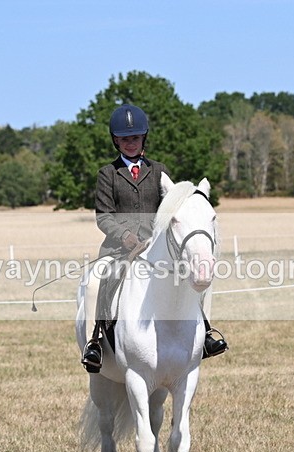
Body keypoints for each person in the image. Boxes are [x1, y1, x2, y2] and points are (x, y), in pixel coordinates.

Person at [80, 103, 228, 372]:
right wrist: (125, 236)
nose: (130, 144)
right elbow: (103, 216)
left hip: (155, 248)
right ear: (116, 141)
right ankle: (96, 342)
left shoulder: (159, 171)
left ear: (143, 137)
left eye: (135, 138)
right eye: (125, 139)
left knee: (195, 278)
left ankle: (204, 333)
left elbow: (170, 210)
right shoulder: (107, 174)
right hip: (118, 249)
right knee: (96, 281)